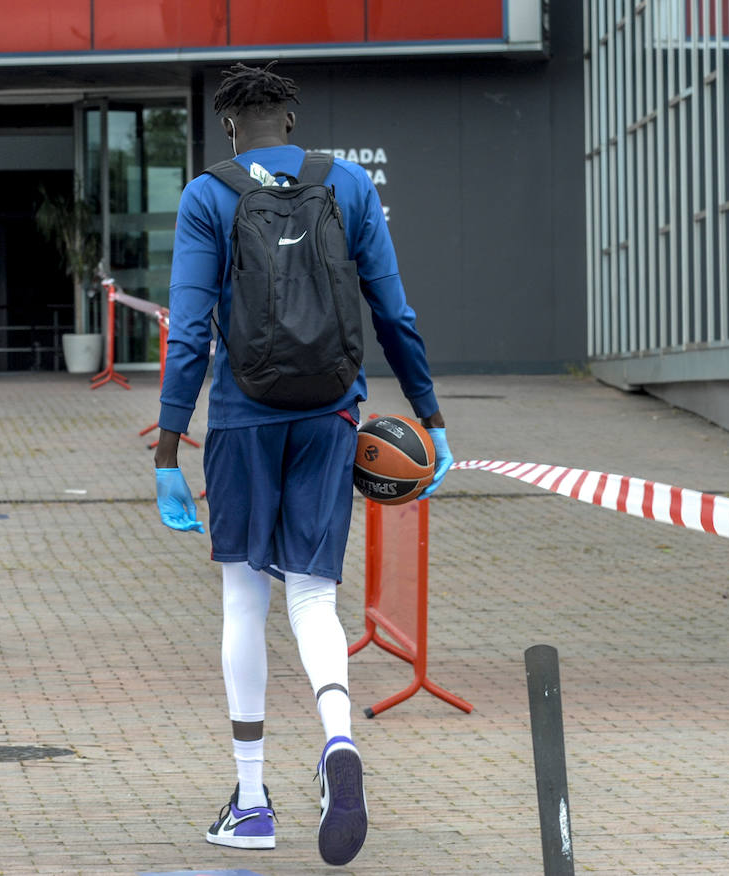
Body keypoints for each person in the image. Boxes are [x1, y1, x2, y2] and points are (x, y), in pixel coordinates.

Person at [152, 61, 452, 867]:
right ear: (290, 120)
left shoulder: (207, 195)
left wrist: (168, 450)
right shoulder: (347, 186)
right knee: (313, 598)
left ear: (229, 128)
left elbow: (186, 335)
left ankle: (251, 802)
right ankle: (339, 743)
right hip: (331, 416)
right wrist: (429, 414)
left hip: (244, 419)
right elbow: (393, 311)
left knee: (243, 599)